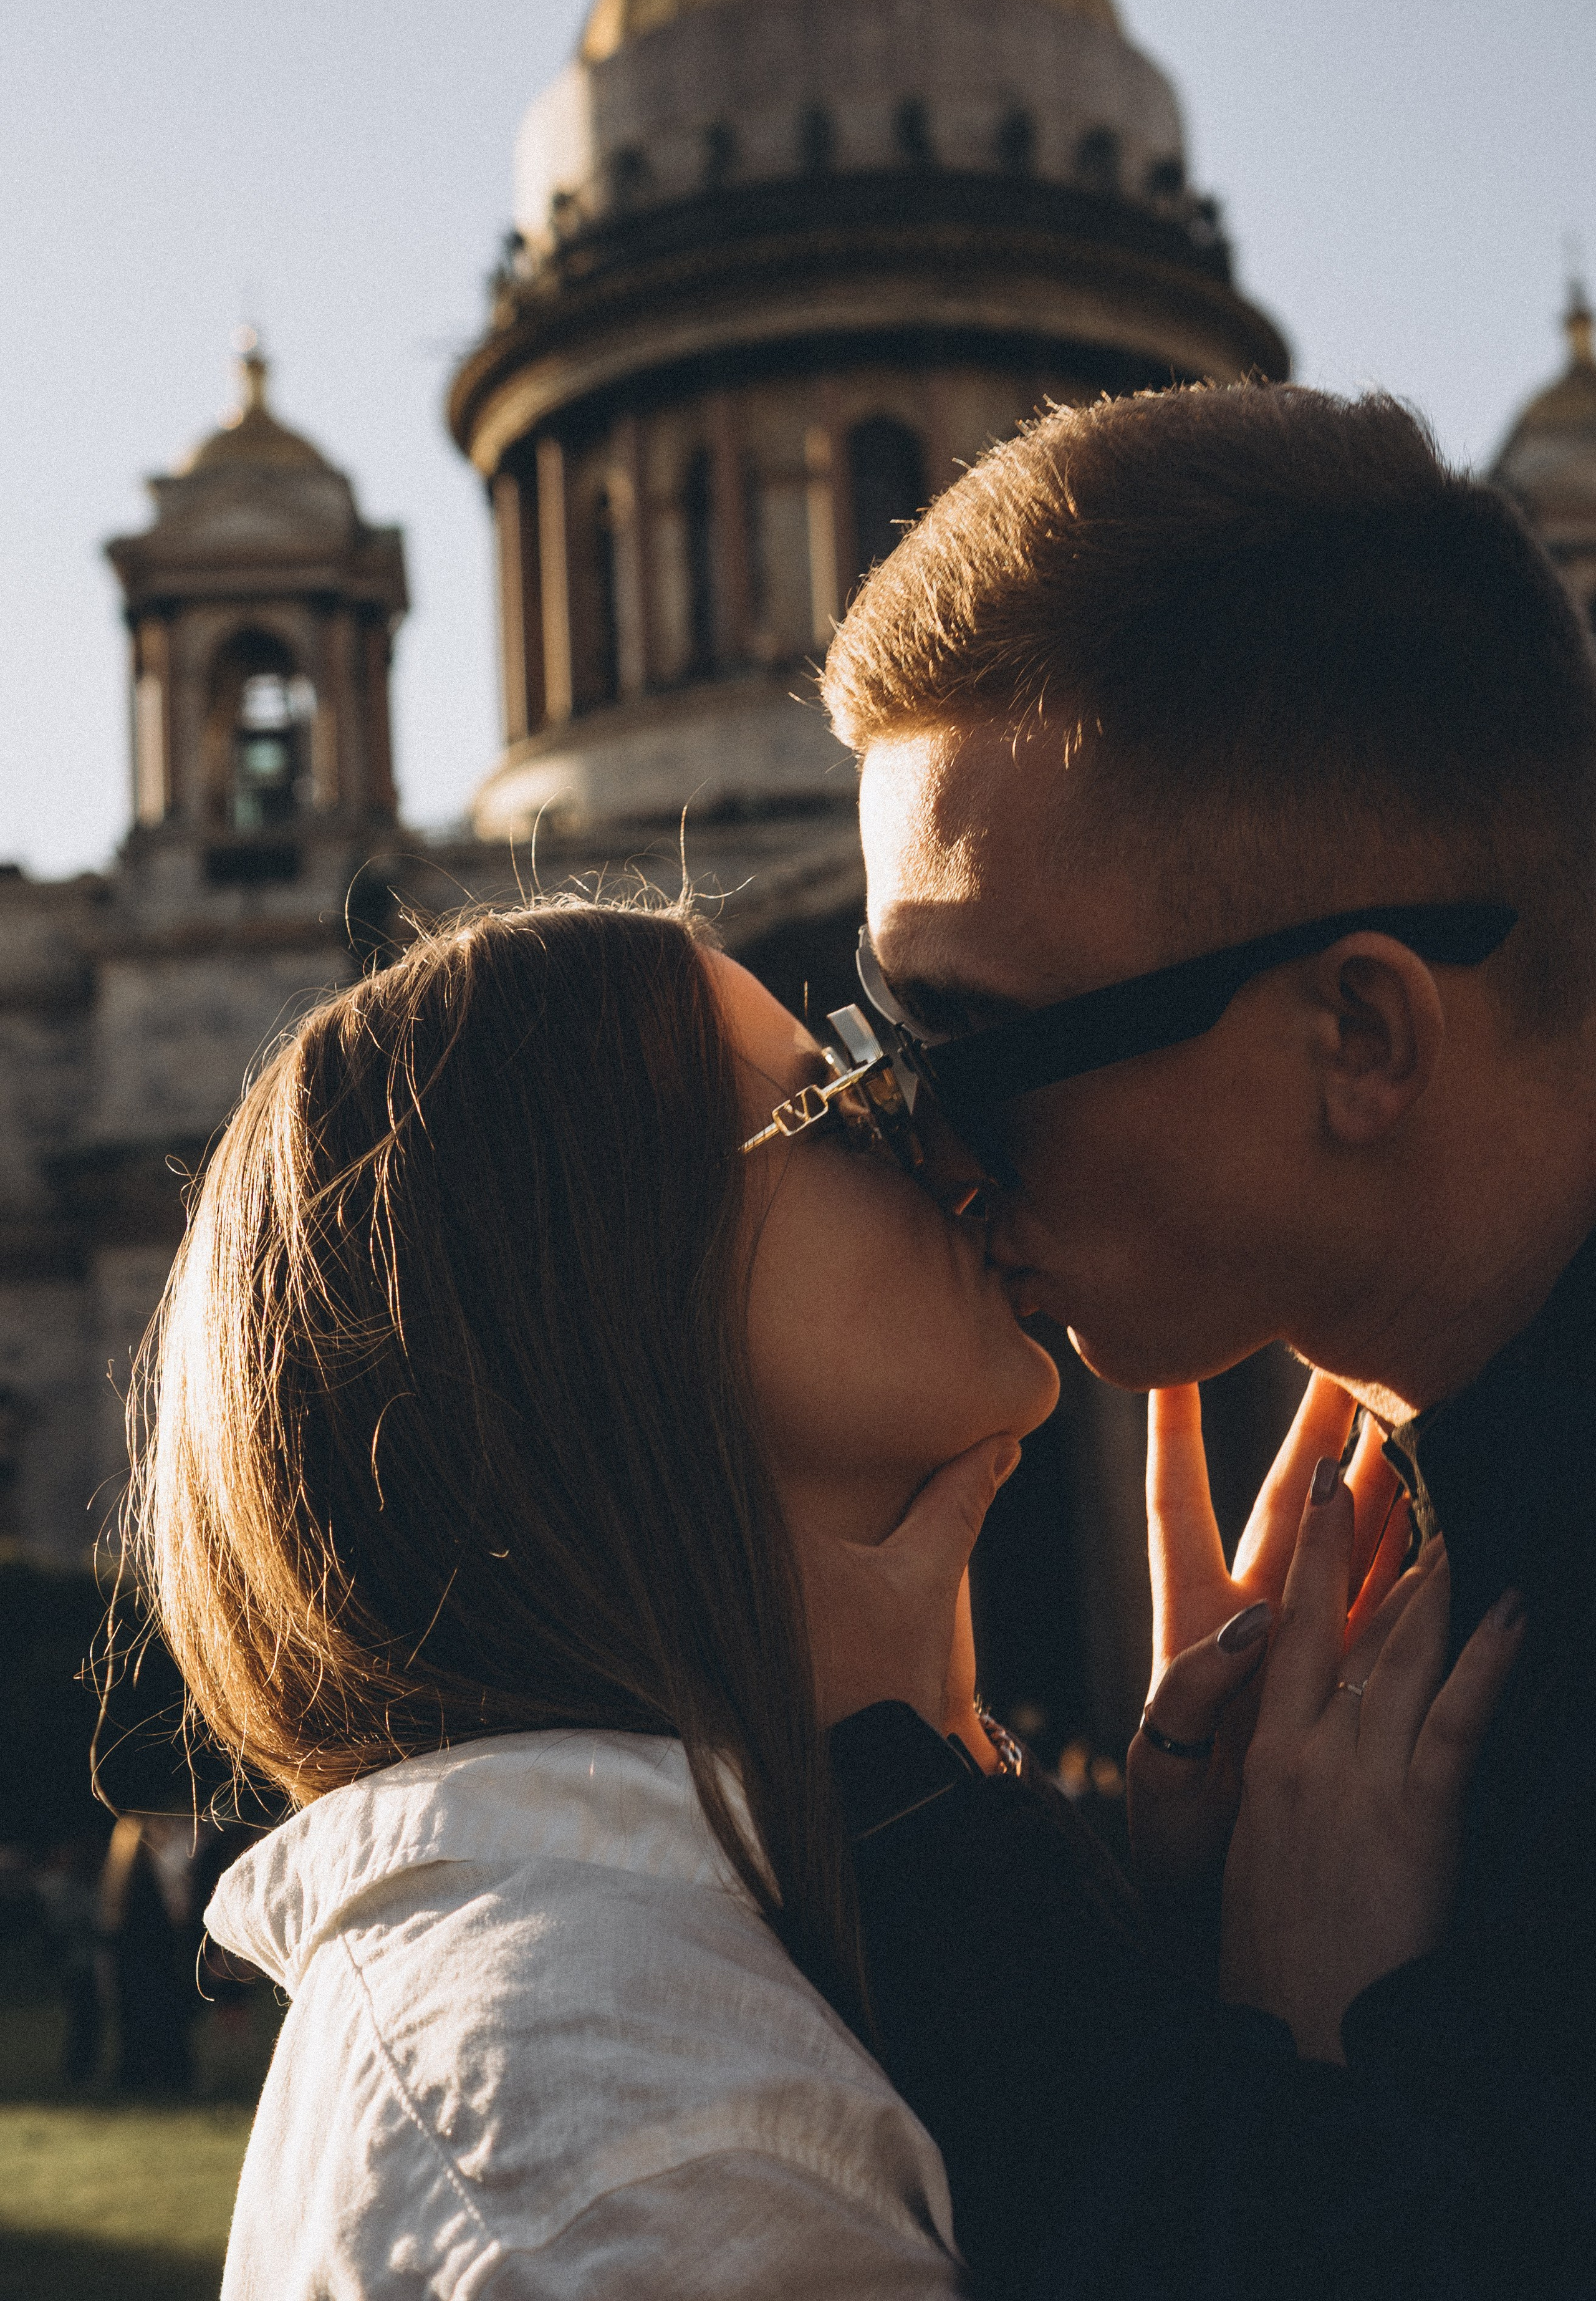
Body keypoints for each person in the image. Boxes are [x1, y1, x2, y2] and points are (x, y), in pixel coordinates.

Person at [125, 901, 1505, 2299]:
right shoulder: (630, 2146)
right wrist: (1311, 2049)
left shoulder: (714, 1971)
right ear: (594, 1288)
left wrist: (1168, 1952)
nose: (957, 1156)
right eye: (844, 1108)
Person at [819, 380, 1596, 2295]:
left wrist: (1316, 2071)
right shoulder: (1422, 1549)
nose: (918, 1150)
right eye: (873, 1042)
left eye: (966, 1051)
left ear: (1360, 1037)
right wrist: (1190, 1936)